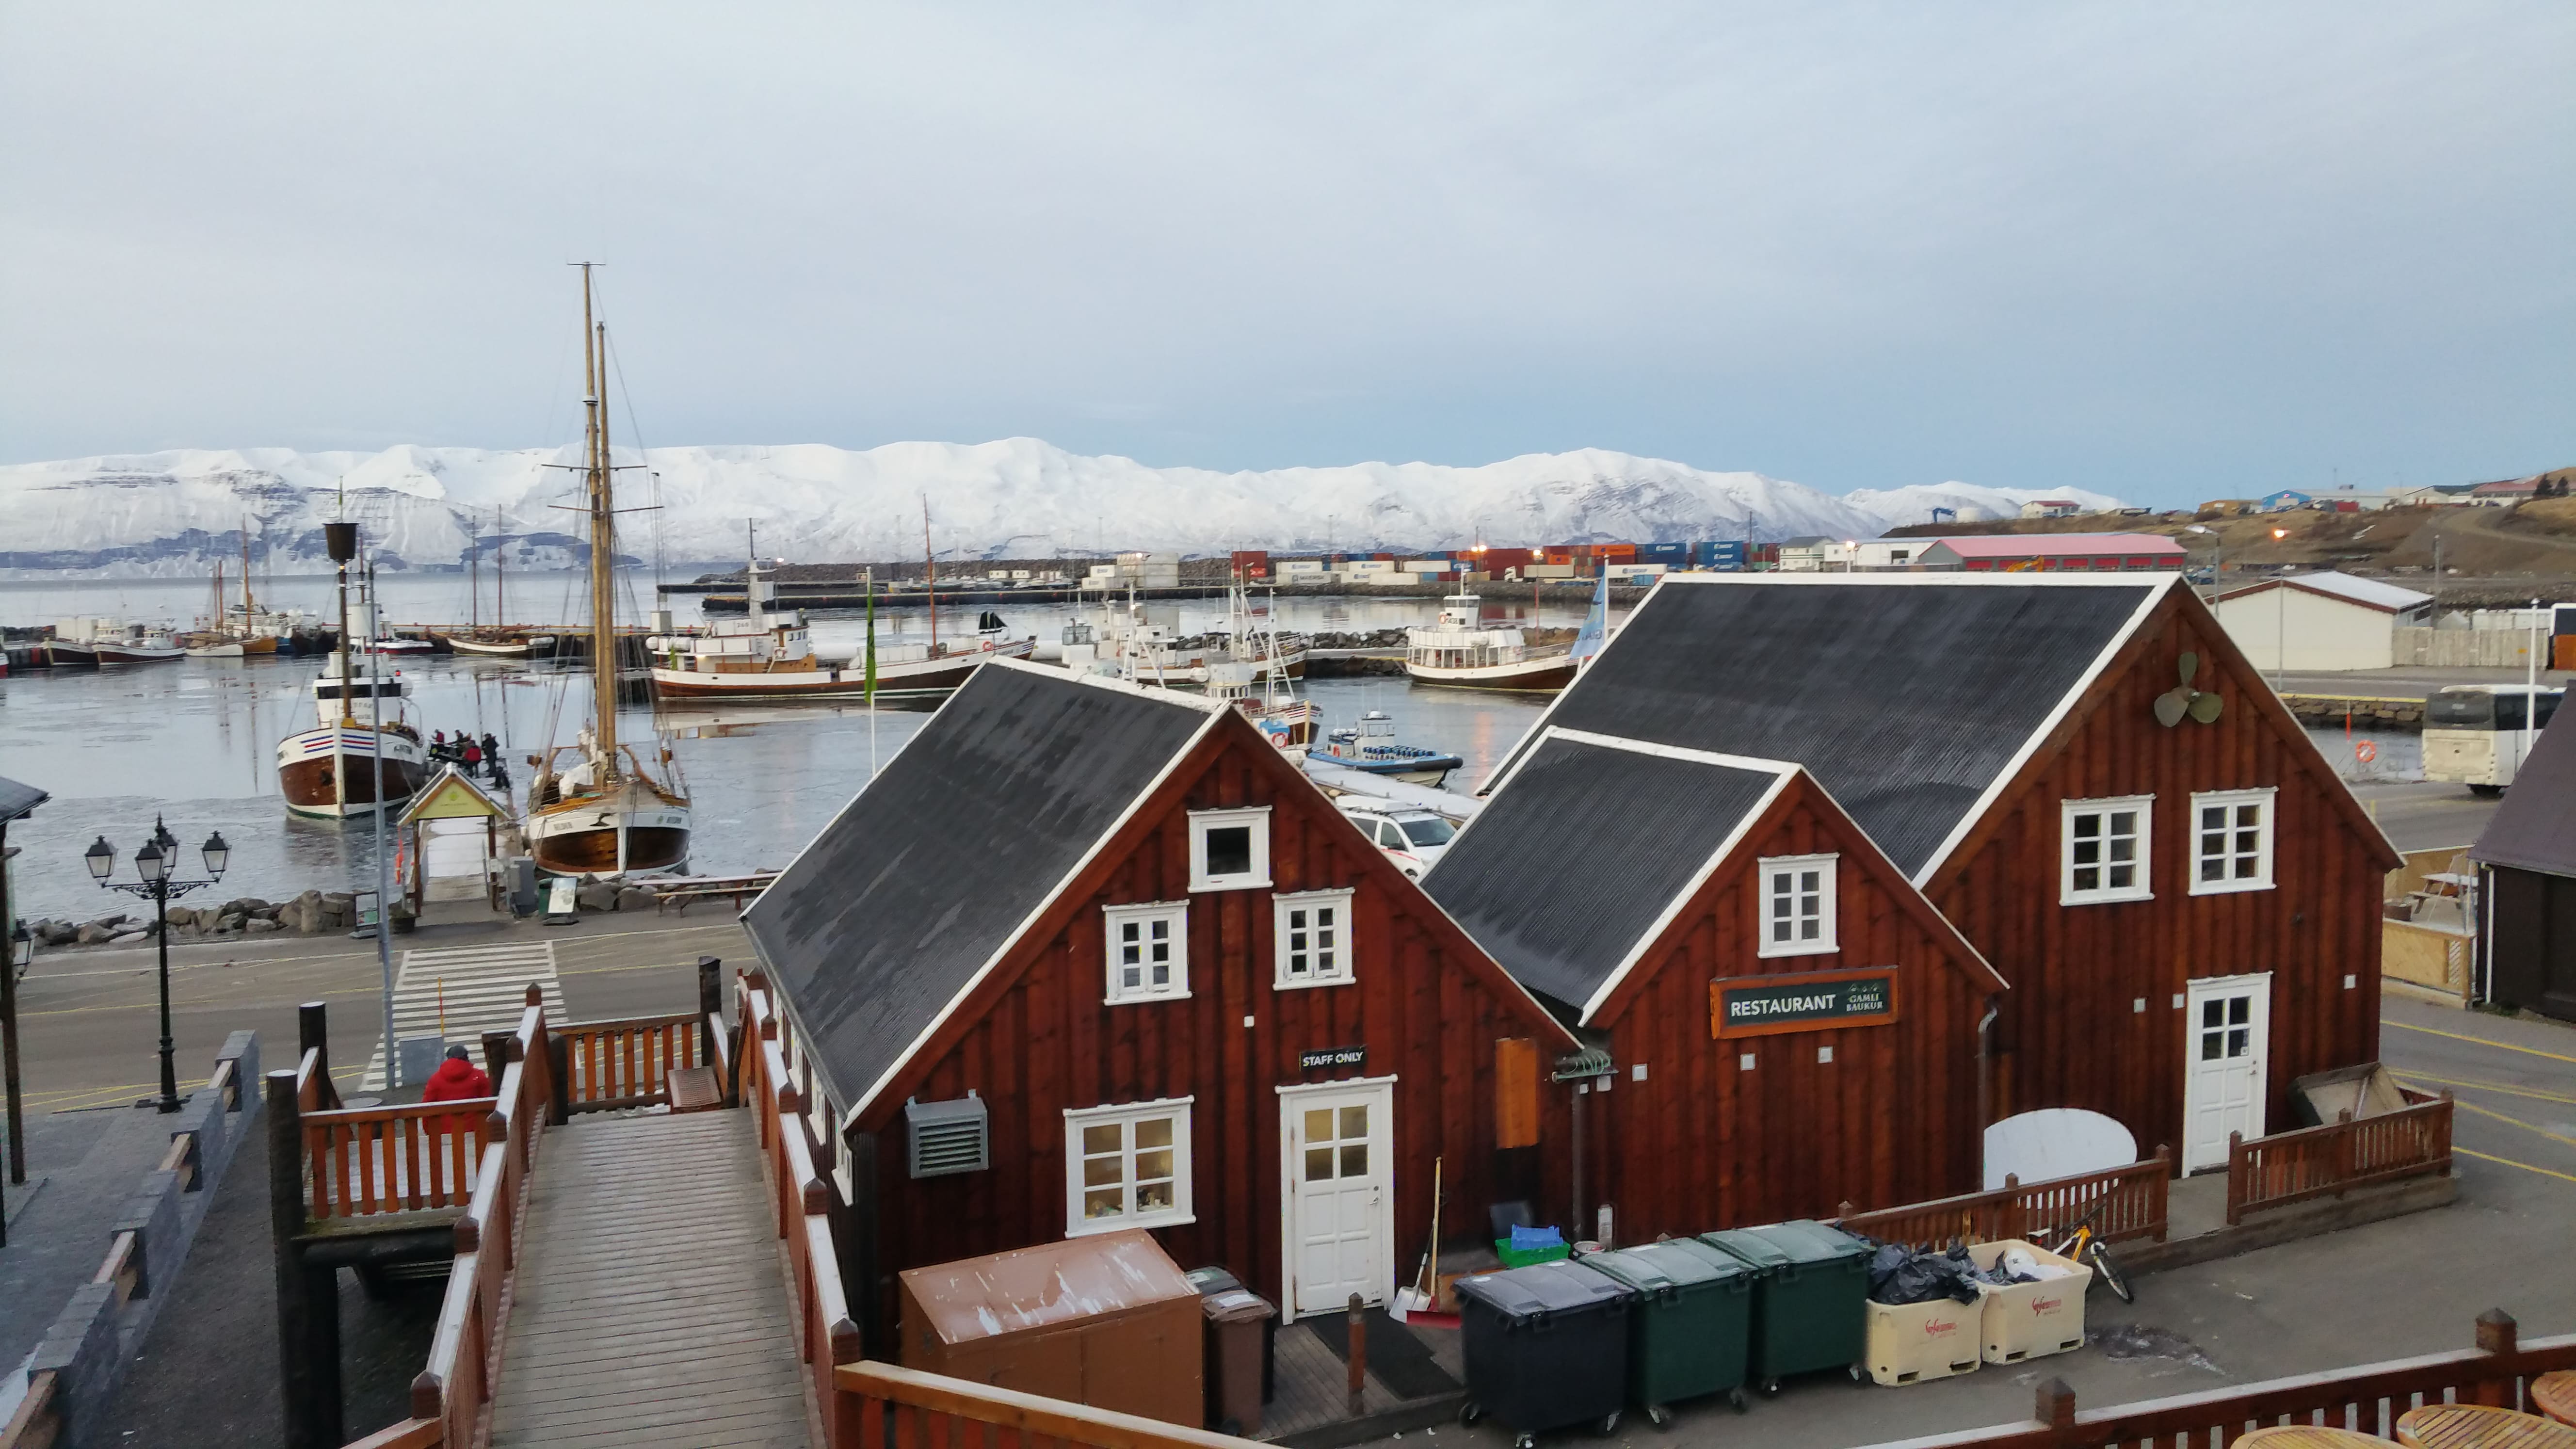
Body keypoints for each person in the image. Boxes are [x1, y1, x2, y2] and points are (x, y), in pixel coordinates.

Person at [419, 1043, 493, 1181]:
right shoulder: (479, 1077)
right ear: (466, 1058)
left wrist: (429, 1131)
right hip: (476, 1131)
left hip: (445, 1135)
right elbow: (488, 1104)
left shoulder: (436, 1080)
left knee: (449, 1171)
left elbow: (427, 1108)